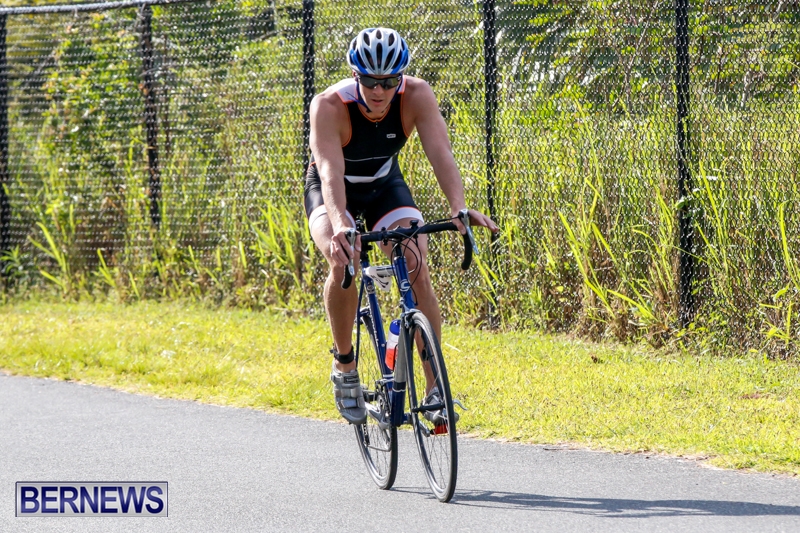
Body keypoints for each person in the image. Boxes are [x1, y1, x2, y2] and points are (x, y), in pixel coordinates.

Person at [304, 27, 499, 424]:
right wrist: (341, 226)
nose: (379, 91)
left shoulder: (418, 95)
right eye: (370, 81)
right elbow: (329, 173)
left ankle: (435, 389)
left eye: (390, 81)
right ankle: (345, 366)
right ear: (355, 76)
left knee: (415, 262)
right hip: (331, 190)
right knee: (344, 260)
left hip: (383, 185)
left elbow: (441, 153)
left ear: (401, 78)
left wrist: (459, 208)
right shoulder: (328, 105)